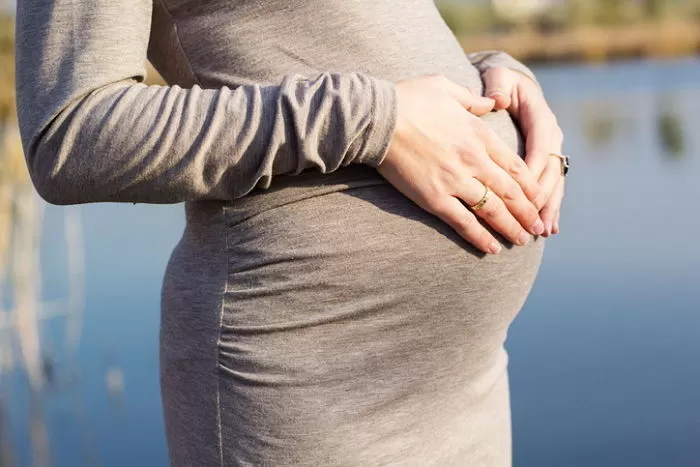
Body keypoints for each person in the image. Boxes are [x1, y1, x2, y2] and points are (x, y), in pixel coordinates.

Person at [15, 0, 566, 464]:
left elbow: (341, 34)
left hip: (464, 379)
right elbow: (70, 132)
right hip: (303, 372)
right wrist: (373, 118)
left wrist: (492, 80)